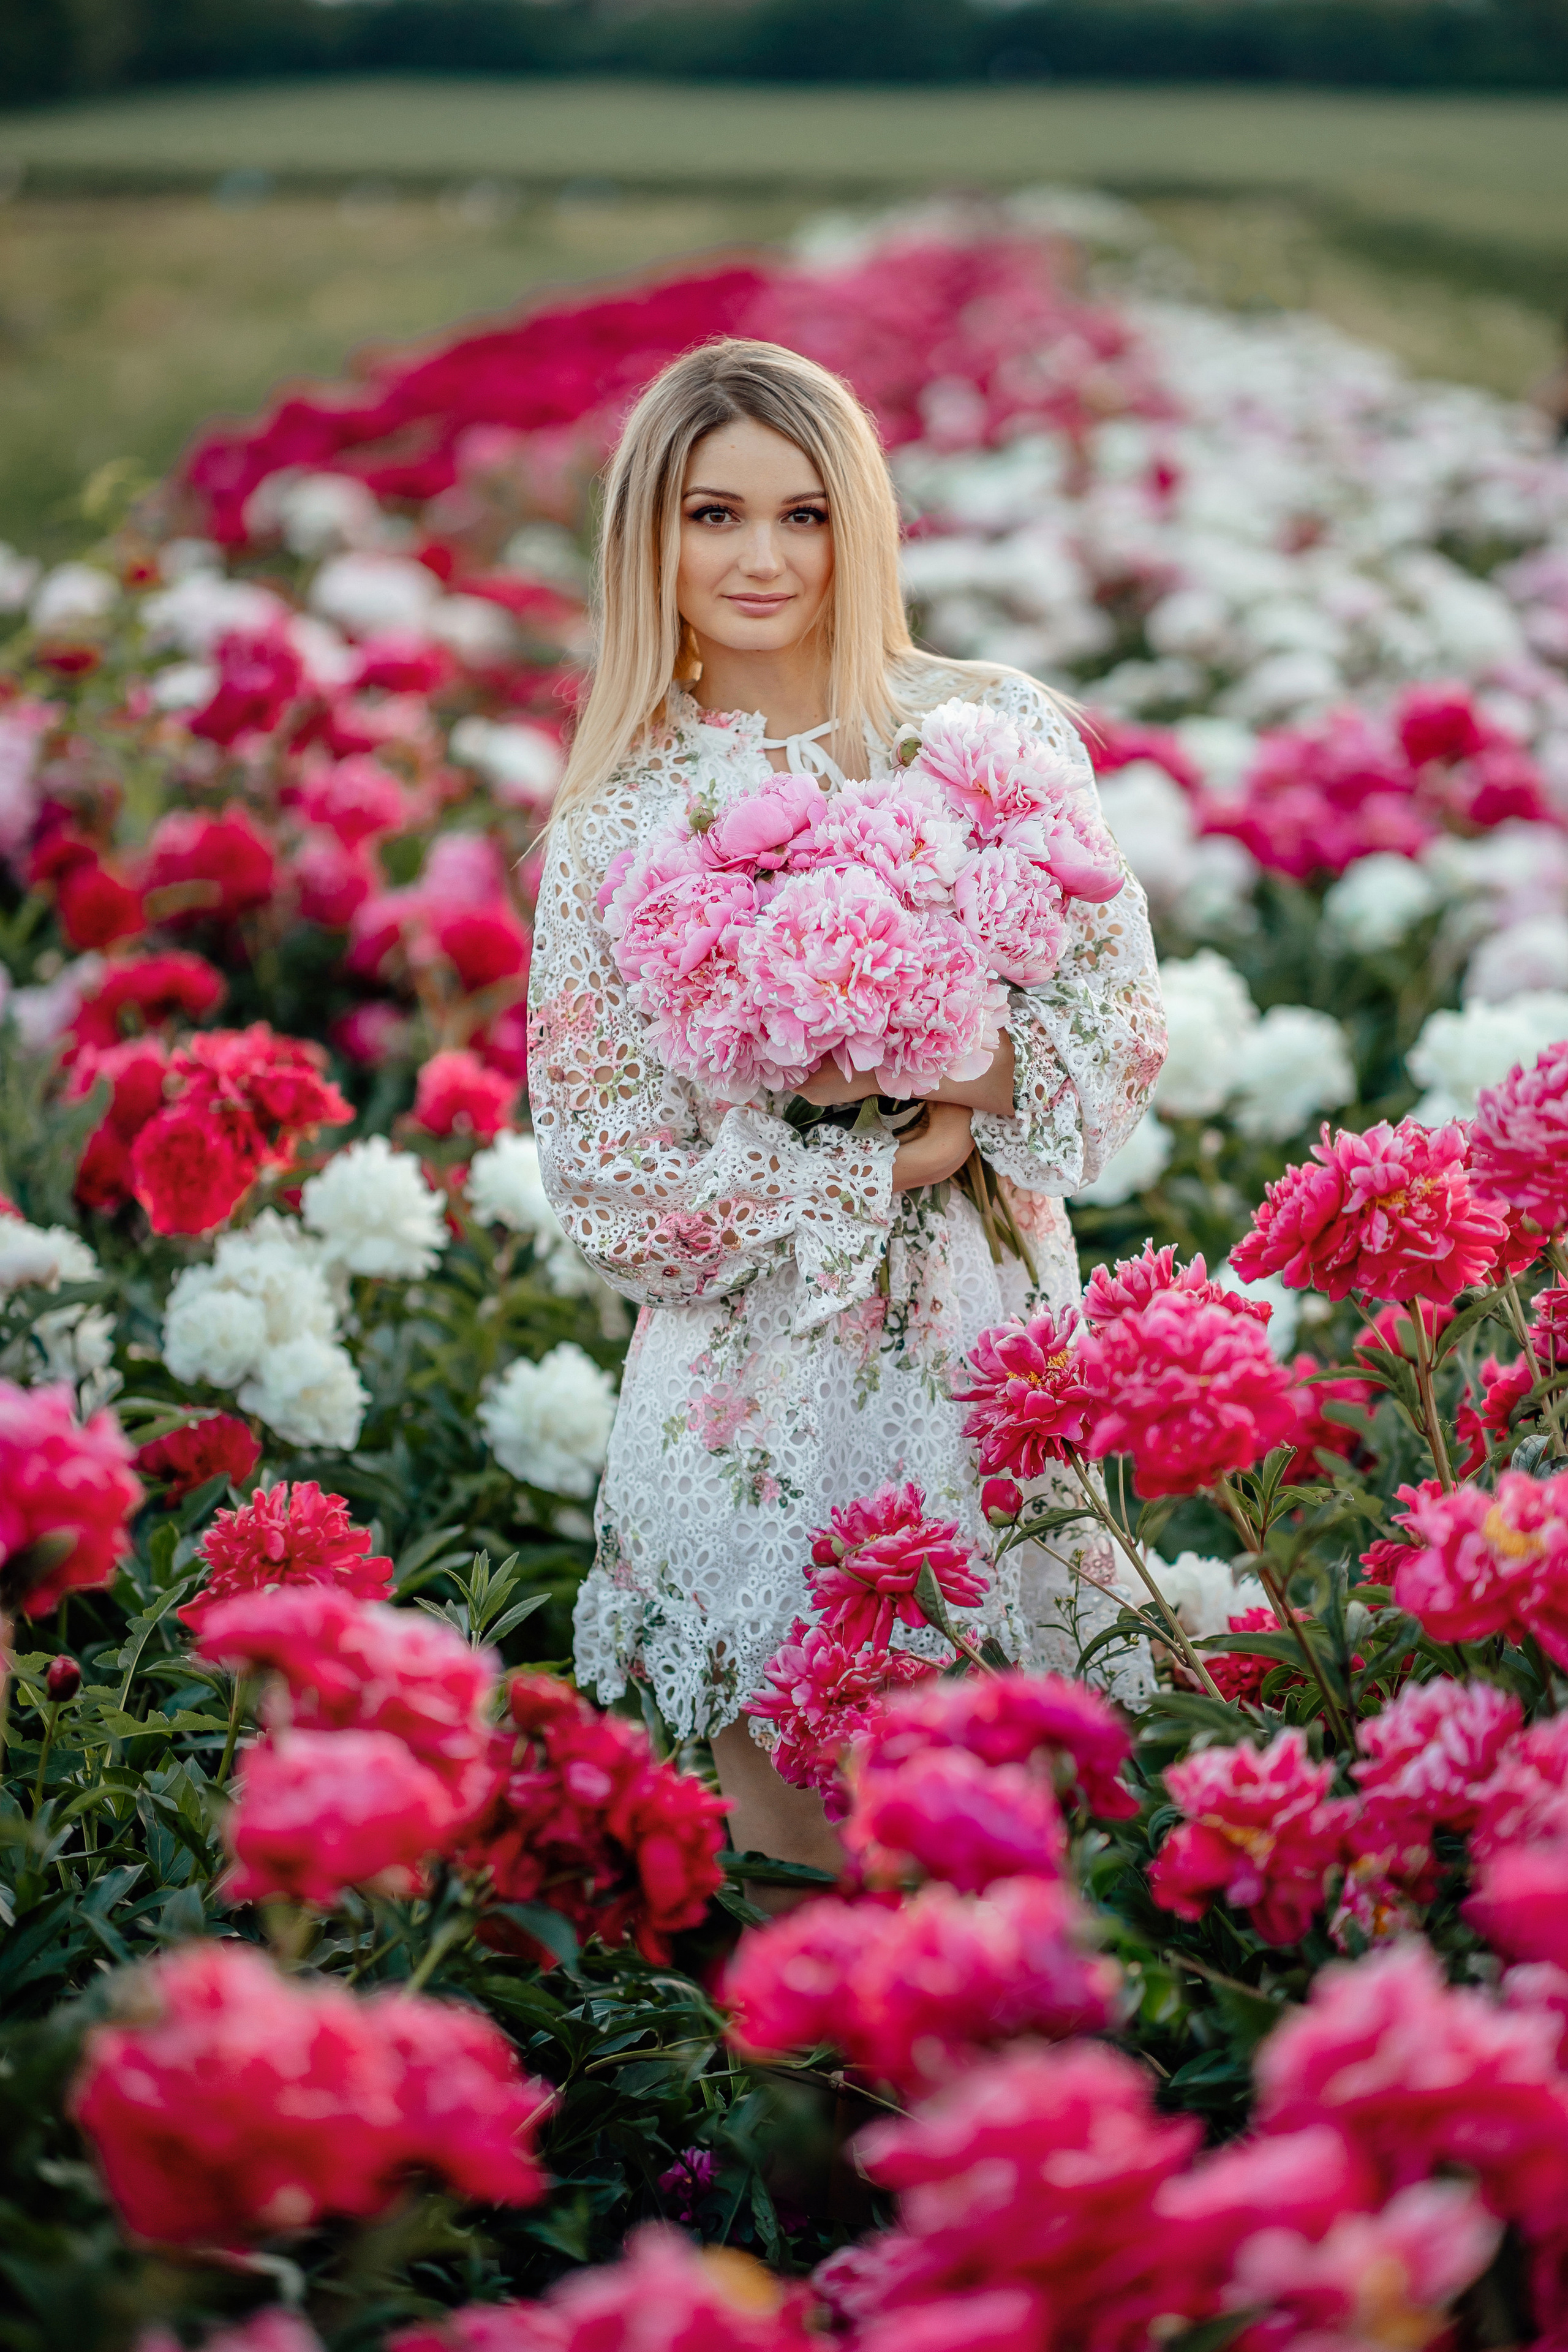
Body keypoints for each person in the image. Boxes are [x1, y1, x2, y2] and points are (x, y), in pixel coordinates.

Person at [528, 339, 1165, 1874]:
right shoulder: (615, 821)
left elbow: (1117, 1041)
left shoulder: (990, 740)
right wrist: (873, 1170)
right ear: (650, 536)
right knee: (804, 1902)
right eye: (713, 514)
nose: (761, 557)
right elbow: (609, 1187)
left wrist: (944, 1075)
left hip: (991, 1357)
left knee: (1014, 1888)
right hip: (750, 1397)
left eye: (804, 515)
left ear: (859, 523)